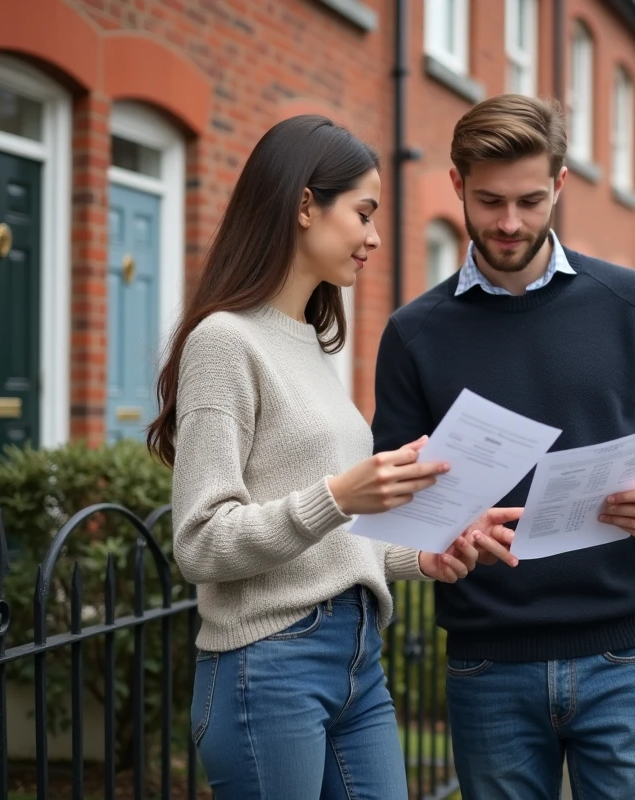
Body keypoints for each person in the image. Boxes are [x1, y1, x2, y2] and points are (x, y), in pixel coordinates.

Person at [145, 115, 519, 800]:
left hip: (357, 658)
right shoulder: (224, 343)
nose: (375, 237)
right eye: (364, 213)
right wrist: (340, 494)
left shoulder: (314, 347)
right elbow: (199, 543)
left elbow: (336, 542)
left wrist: (424, 555)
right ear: (306, 204)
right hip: (269, 665)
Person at [370, 95, 635, 799]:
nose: (510, 223)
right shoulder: (414, 334)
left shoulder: (632, 305)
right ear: (456, 186)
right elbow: (391, 501)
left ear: (561, 185)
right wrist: (449, 532)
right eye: (490, 201)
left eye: (532, 200)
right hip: (487, 666)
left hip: (619, 657)